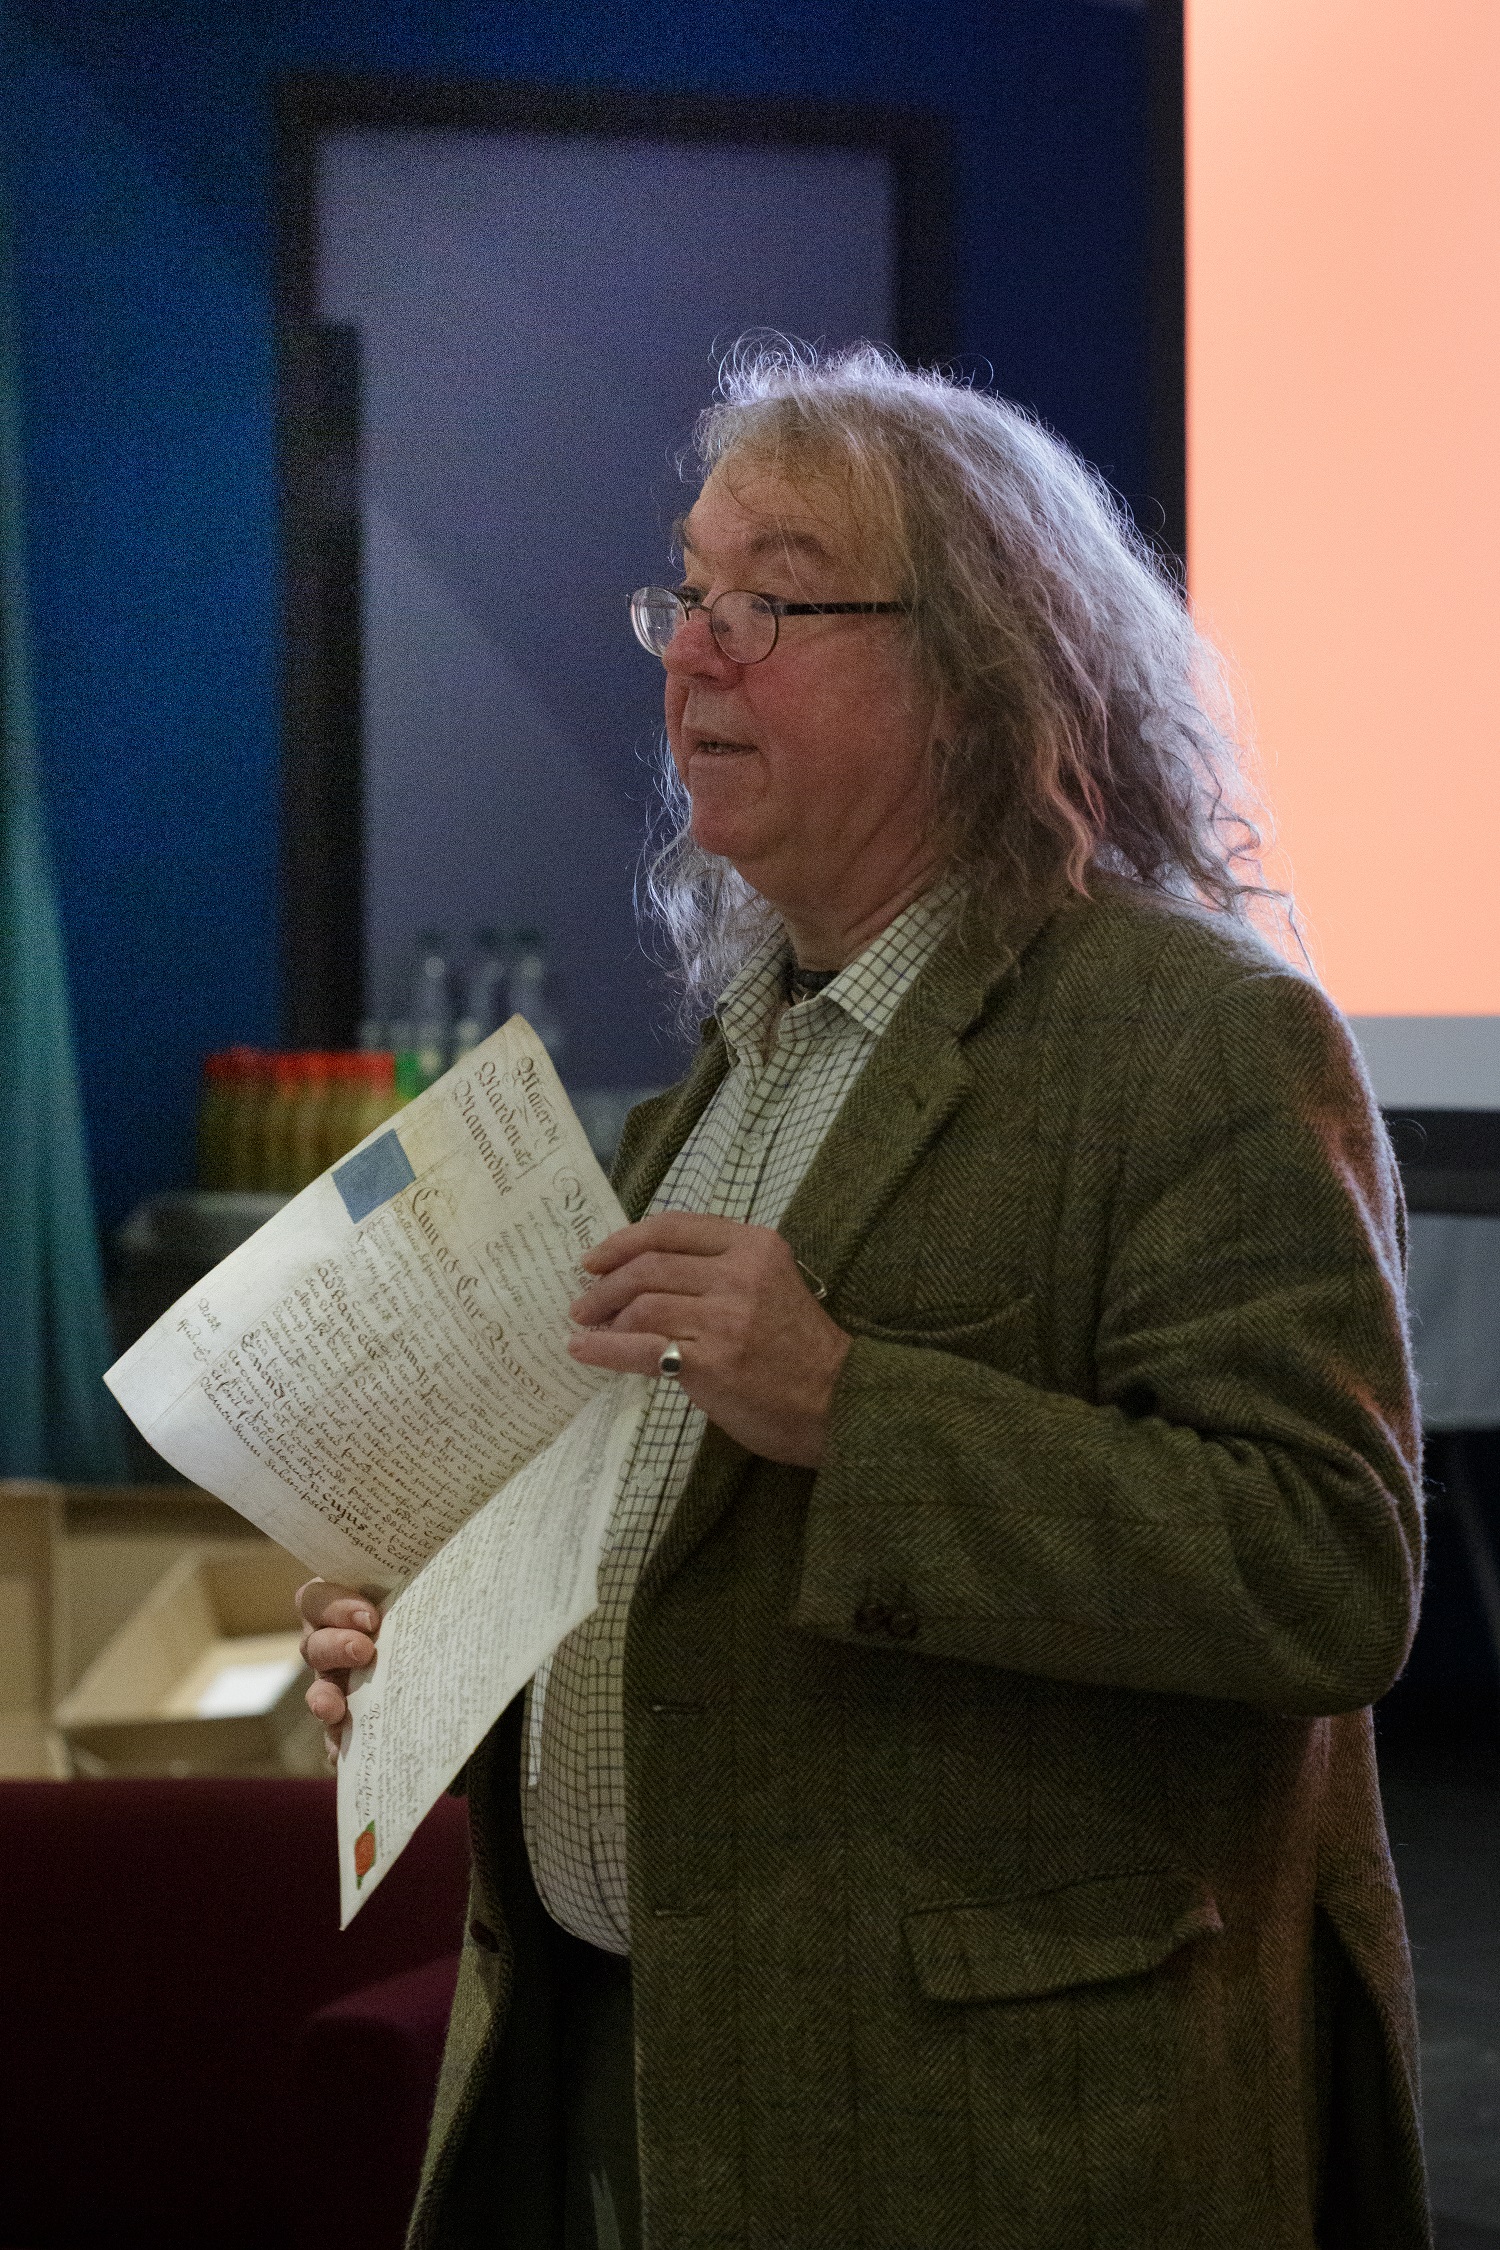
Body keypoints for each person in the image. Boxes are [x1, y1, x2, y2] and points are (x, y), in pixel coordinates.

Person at [300, 345, 1429, 2250]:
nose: (692, 652)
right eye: (685, 592)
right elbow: (672, 1577)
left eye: (775, 598)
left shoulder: (1198, 1042)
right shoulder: (713, 1089)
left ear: (979, 670)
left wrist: (851, 1403)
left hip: (989, 2140)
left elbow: (1325, 1562)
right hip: (639, 2093)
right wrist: (444, 1660)